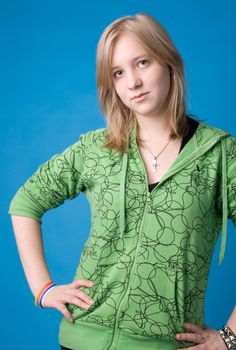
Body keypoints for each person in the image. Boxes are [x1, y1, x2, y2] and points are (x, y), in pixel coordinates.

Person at [8, 12, 236, 350]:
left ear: (168, 63)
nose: (133, 82)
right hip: (80, 339)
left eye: (142, 62)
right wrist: (43, 289)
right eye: (118, 72)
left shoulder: (219, 154)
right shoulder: (96, 149)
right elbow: (25, 202)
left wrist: (230, 336)